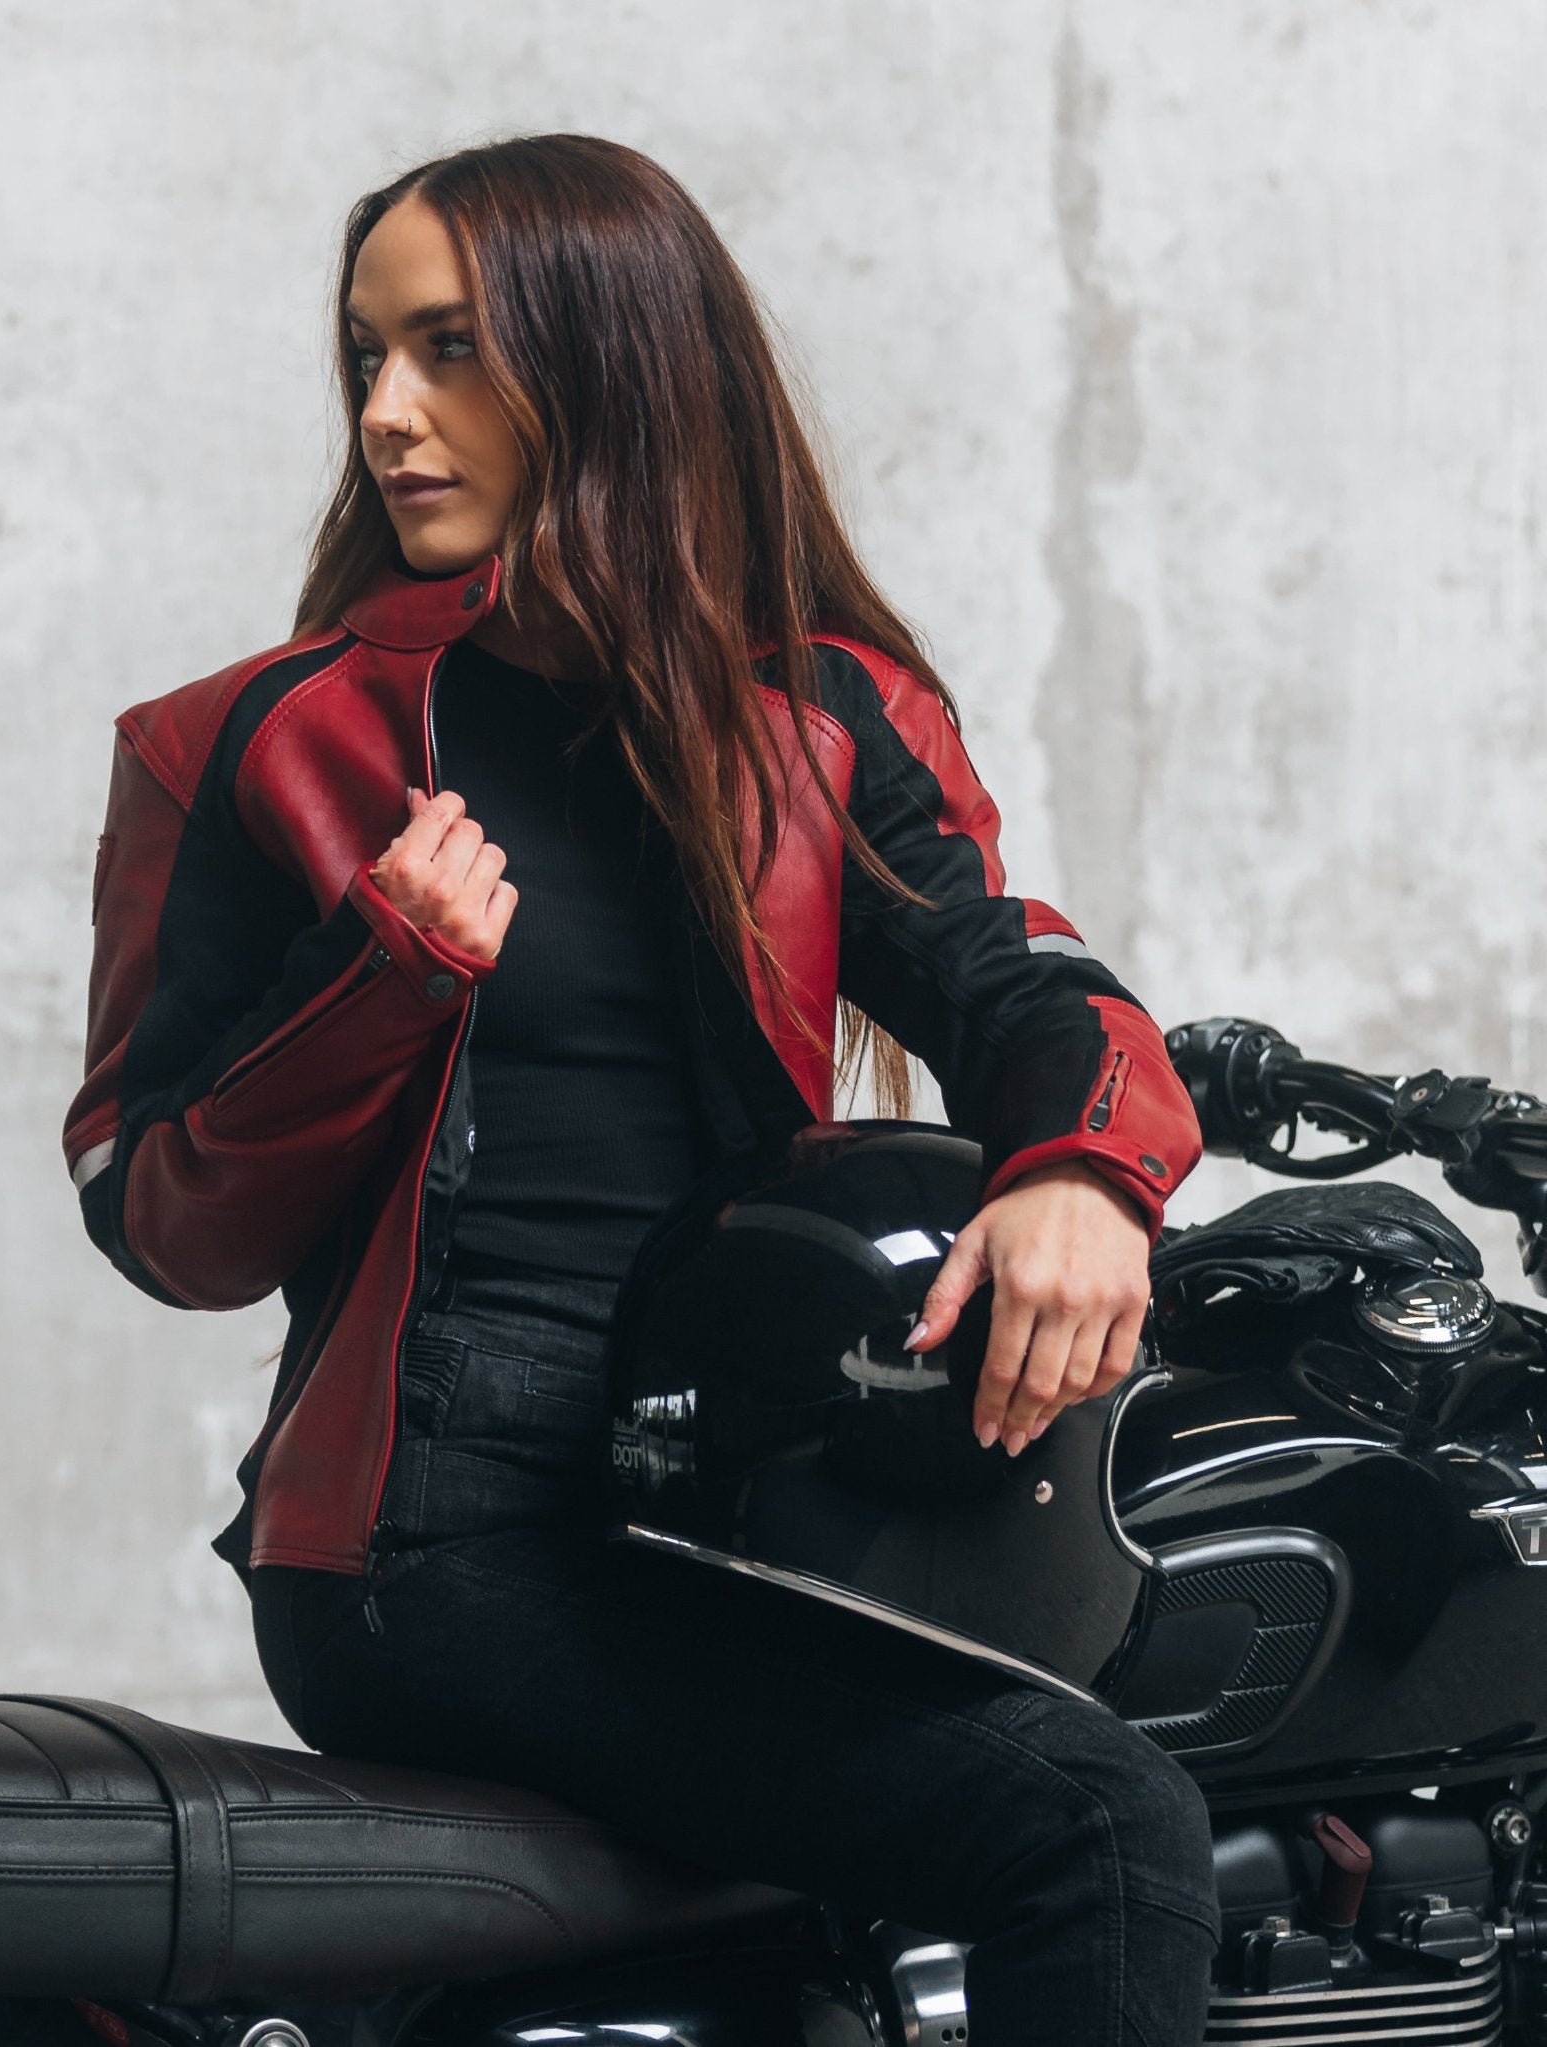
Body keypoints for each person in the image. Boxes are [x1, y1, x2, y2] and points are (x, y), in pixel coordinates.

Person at [65, 134, 1218, 2046]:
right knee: (1096, 1831)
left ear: (609, 363)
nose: (388, 416)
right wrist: (384, 973)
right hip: (433, 1537)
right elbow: (161, 1220)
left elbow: (1008, 976)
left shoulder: (819, 718)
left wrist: (1086, 1171)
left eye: (448, 351)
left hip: (753, 1499)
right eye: (367, 357)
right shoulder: (253, 746)